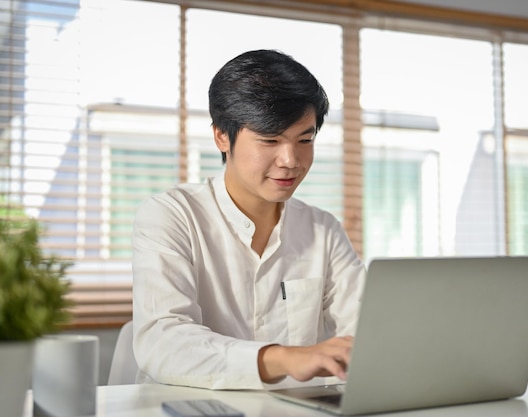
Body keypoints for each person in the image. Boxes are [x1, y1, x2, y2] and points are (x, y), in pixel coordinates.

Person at [132, 49, 366, 390]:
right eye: (270, 140)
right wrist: (282, 358)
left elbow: (366, 332)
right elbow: (161, 341)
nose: (290, 160)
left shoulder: (323, 230)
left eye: (305, 140)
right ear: (221, 136)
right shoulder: (170, 216)